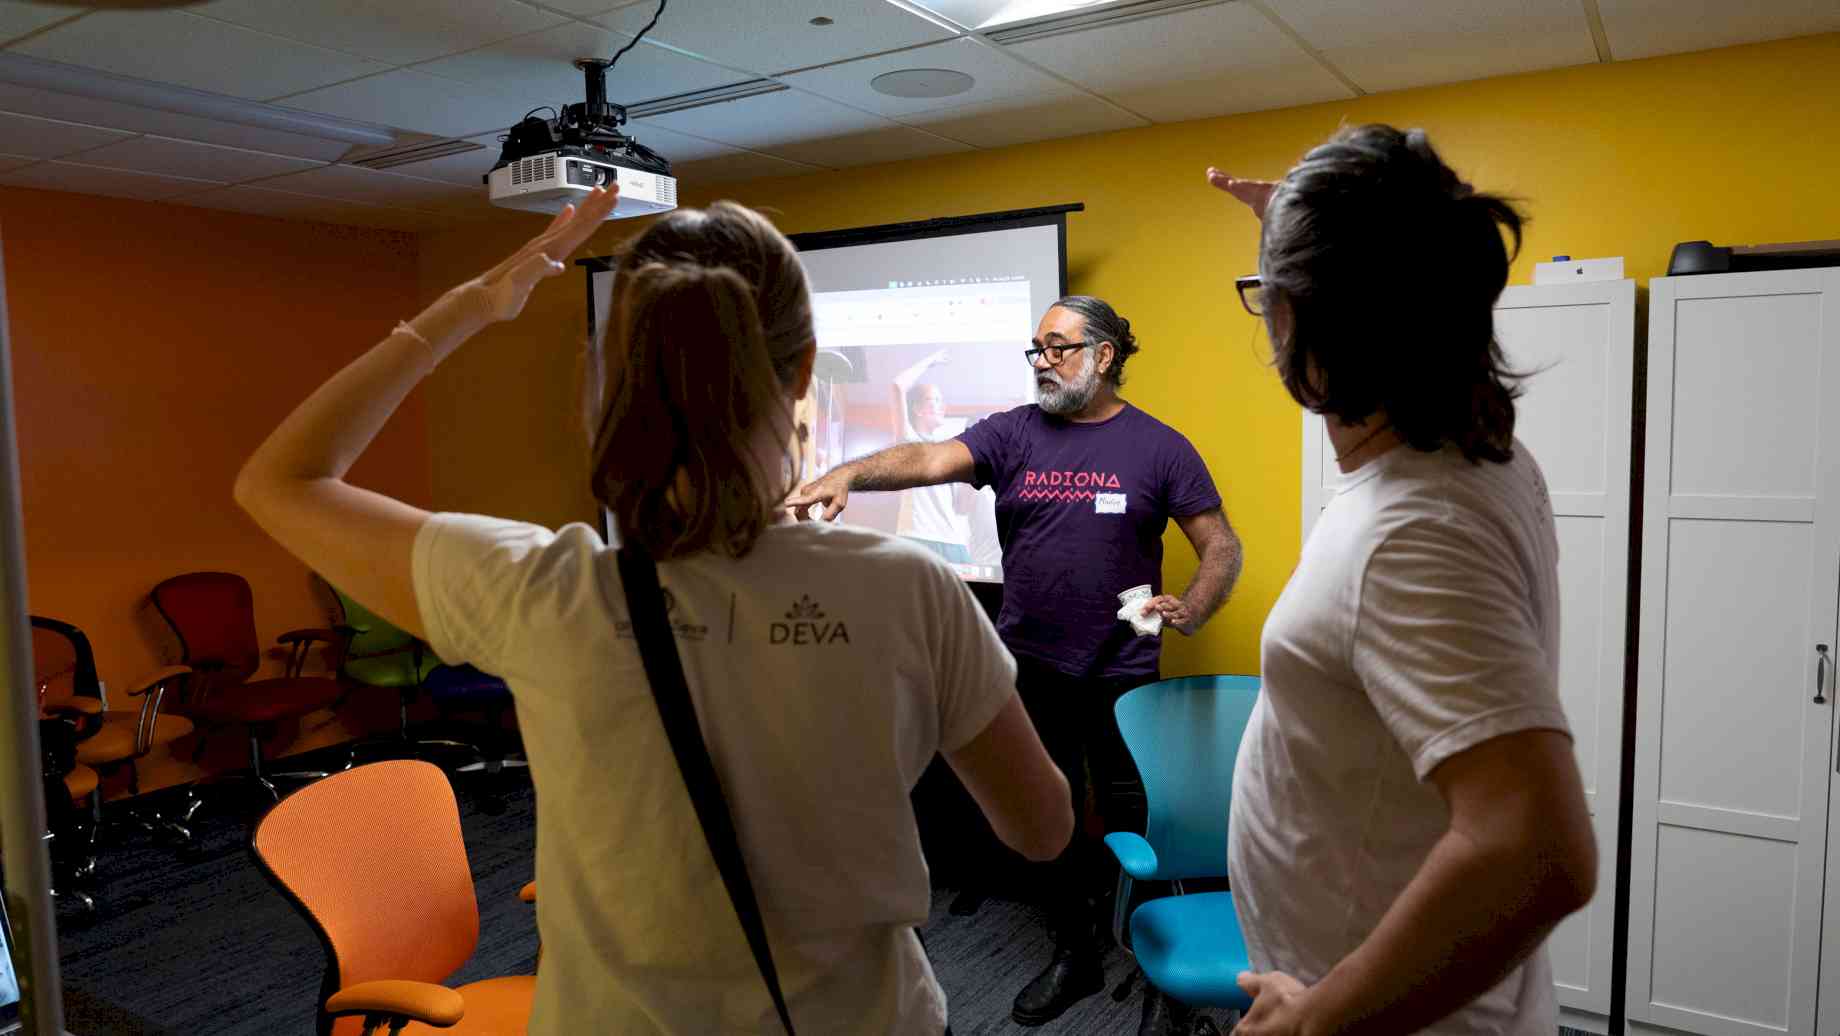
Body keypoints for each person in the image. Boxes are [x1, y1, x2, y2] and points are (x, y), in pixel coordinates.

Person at [232, 190, 1074, 1035]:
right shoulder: (910, 589)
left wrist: (476, 303)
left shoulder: (538, 591)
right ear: (803, 375)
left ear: (608, 382)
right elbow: (1043, 831)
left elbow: (281, 480)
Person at [1209, 125, 1596, 1036]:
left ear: (1311, 318)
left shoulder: (1412, 531)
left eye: (1271, 298)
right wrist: (1312, 240)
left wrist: (1315, 1024)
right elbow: (1417, 284)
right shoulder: (1474, 453)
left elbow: (1537, 849)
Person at [787, 295, 1244, 1028]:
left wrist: (1193, 604)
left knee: (1142, 821)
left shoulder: (1160, 447)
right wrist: (850, 474)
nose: (1043, 362)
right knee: (1050, 818)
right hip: (1030, 666)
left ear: (1104, 356)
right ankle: (1076, 949)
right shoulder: (1012, 433)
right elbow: (930, 458)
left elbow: (1220, 545)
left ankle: (1169, 984)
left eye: (1059, 347)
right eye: (1037, 349)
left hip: (1124, 675)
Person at [889, 349, 973, 564]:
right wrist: (931, 361)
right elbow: (898, 386)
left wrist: (970, 479)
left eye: (941, 401)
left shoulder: (950, 450)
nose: (941, 406)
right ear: (917, 408)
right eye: (933, 399)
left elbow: (960, 508)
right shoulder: (908, 440)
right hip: (916, 536)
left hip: (951, 539)